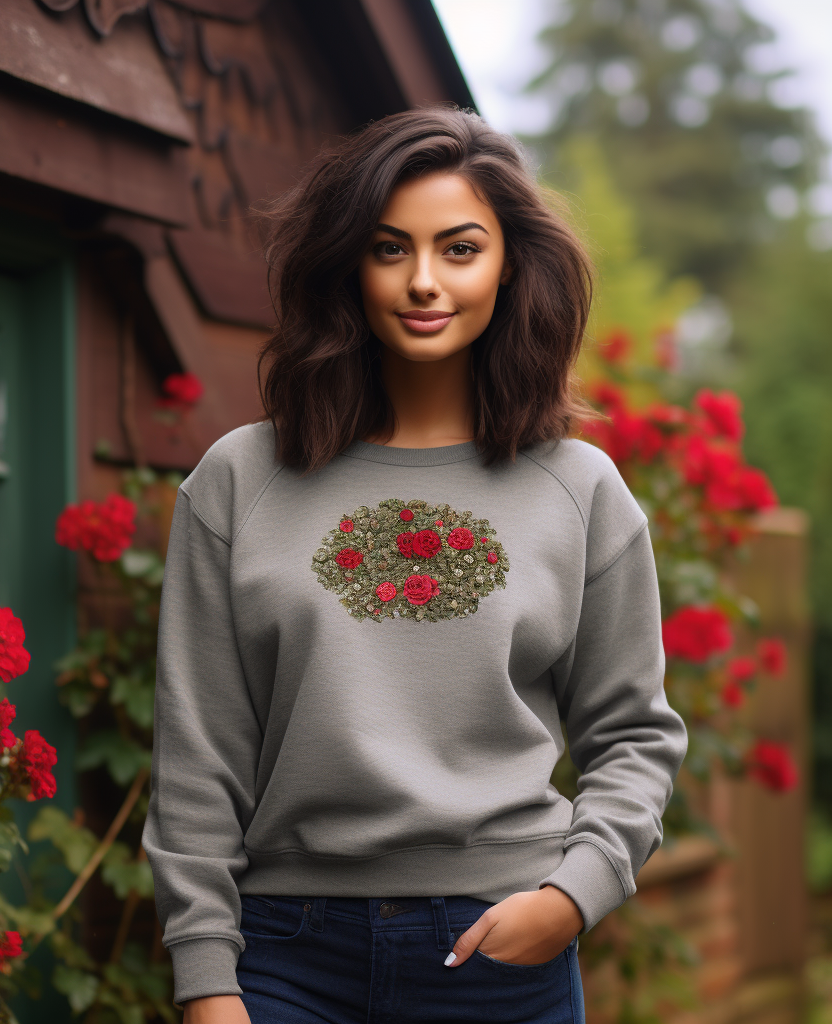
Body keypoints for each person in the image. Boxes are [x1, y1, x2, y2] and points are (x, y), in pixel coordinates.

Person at [143, 107, 687, 1024]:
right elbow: (198, 751)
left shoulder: (579, 489)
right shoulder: (240, 480)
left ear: (510, 264)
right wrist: (205, 977)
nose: (424, 281)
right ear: (348, 265)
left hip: (501, 954)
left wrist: (570, 899)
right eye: (390, 248)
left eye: (460, 249)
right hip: (282, 962)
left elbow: (633, 735)